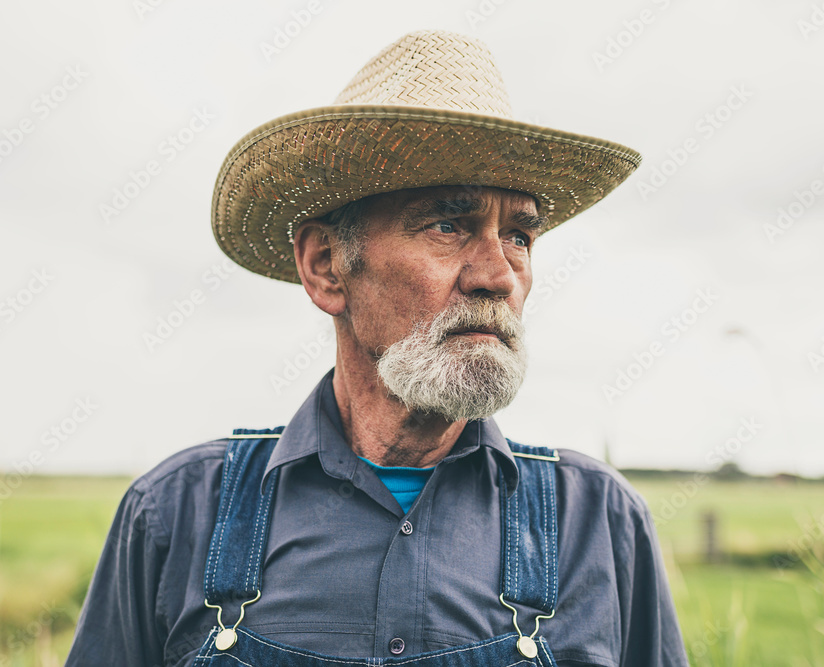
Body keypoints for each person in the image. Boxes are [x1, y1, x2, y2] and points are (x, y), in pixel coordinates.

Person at [66, 29, 687, 667]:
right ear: (326, 266)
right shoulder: (174, 514)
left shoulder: (599, 523)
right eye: (449, 225)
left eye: (520, 235)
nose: (498, 274)